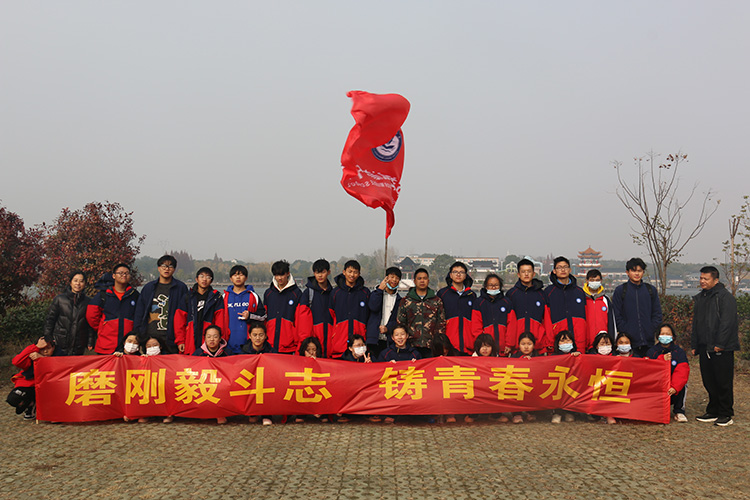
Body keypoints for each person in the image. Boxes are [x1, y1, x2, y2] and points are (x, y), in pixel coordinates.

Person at [691, 266, 739, 427]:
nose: (702, 281)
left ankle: (725, 413)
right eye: (701, 278)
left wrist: (720, 343)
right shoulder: (700, 298)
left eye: (706, 279)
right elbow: (696, 323)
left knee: (723, 381)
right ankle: (713, 410)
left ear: (716, 280)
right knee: (709, 380)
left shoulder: (725, 297)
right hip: (705, 346)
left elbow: (728, 323)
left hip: (721, 348)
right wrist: (695, 344)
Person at [134, 255, 189, 354]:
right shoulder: (149, 288)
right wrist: (139, 334)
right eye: (164, 266)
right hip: (151, 337)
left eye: (170, 266)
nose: (167, 269)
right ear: (158, 268)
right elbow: (140, 312)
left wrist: (182, 338)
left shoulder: (181, 288)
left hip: (171, 338)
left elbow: (185, 313)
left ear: (174, 269)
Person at [612, 257, 662, 357]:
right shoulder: (621, 291)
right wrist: (625, 330)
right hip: (628, 343)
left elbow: (657, 313)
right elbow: (617, 315)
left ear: (643, 272)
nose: (637, 274)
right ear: (627, 272)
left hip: (648, 341)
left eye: (639, 271)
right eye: (634, 271)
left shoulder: (650, 290)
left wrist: (651, 328)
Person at [87, 264, 140, 355]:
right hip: (106, 345)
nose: (124, 275)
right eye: (121, 273)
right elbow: (91, 315)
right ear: (114, 276)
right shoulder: (103, 295)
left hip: (128, 346)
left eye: (127, 273)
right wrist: (103, 327)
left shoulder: (134, 295)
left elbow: (139, 315)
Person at [174, 267, 226, 356]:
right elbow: (179, 320)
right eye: (202, 276)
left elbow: (220, 320)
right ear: (196, 279)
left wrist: (219, 339)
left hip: (209, 338)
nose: (204, 279)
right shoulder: (188, 296)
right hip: (190, 336)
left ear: (211, 281)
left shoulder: (216, 297)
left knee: (207, 360)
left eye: (208, 277)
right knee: (190, 361)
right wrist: (180, 341)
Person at [397, 268, 446, 358]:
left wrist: (439, 341)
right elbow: (401, 323)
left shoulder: (436, 301)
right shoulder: (406, 301)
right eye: (419, 278)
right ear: (414, 281)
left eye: (424, 278)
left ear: (428, 281)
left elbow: (441, 323)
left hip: (431, 346)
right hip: (411, 346)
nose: (422, 281)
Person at [647, 323, 689, 423]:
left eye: (668, 334)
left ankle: (679, 411)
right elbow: (648, 370)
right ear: (658, 336)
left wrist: (674, 387)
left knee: (682, 385)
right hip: (657, 386)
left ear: (673, 336)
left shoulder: (679, 352)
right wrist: (661, 360)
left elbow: (683, 370)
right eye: (662, 334)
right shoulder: (651, 351)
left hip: (672, 388)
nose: (665, 336)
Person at [43, 270, 92, 356]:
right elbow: (50, 319)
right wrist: (48, 337)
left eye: (81, 281)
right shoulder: (60, 299)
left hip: (79, 344)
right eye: (75, 280)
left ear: (85, 284)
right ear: (70, 283)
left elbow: (90, 324)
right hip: (59, 342)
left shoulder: (88, 302)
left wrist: (90, 341)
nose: (78, 283)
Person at [7, 336, 58, 420]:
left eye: (48, 348)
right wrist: (35, 347)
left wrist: (43, 359)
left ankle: (41, 409)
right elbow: (16, 362)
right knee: (13, 399)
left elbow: (60, 367)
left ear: (54, 347)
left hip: (49, 386)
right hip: (30, 384)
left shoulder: (59, 353)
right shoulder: (32, 355)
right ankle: (30, 405)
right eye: (42, 348)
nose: (45, 351)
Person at [544, 256, 587, 353]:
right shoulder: (549, 292)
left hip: (579, 339)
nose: (563, 270)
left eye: (565, 267)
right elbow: (546, 319)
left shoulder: (579, 292)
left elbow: (586, 317)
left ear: (570, 270)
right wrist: (550, 341)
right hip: (559, 340)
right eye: (559, 267)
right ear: (554, 271)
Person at [505, 259, 548, 354]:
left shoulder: (541, 294)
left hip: (538, 344)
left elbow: (546, 319)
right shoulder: (511, 294)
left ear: (533, 274)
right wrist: (508, 343)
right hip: (517, 344)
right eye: (523, 272)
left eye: (529, 271)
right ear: (518, 274)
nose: (526, 274)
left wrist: (547, 341)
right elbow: (507, 321)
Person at [328, 260, 370, 359]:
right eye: (350, 271)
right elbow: (331, 314)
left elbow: (368, 314)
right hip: (340, 338)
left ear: (359, 274)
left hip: (359, 338)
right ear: (344, 272)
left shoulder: (365, 292)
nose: (352, 275)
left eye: (355, 272)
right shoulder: (336, 293)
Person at [263, 260, 305, 354]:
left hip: (289, 345)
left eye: (282, 275)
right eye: (276, 275)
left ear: (288, 274)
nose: (279, 278)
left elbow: (299, 320)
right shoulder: (268, 293)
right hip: (269, 344)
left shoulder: (296, 293)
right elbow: (264, 317)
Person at [437, 262, 477, 355]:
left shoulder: (471, 295)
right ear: (450, 275)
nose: (458, 274)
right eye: (455, 272)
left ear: (465, 275)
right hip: (449, 344)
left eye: (461, 272)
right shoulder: (443, 294)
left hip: (468, 344)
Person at [297, 259, 334, 357]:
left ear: (328, 272)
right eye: (317, 272)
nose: (320, 275)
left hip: (330, 339)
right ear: (314, 273)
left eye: (323, 272)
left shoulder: (334, 293)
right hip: (314, 340)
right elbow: (303, 320)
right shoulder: (308, 293)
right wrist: (307, 343)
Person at [224, 265, 265, 354]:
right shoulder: (224, 297)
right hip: (228, 344)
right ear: (231, 278)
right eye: (235, 275)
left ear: (246, 278)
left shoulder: (253, 296)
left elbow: (263, 317)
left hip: (248, 346)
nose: (238, 277)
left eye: (241, 275)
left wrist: (250, 316)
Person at [471, 273, 514, 357]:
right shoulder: (479, 302)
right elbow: (476, 326)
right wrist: (481, 345)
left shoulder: (507, 302)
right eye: (490, 285)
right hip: (485, 350)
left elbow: (511, 325)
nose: (493, 287)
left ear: (500, 286)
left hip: (503, 348)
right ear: (485, 286)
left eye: (496, 285)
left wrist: (509, 344)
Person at [366, 266, 403, 359]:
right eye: (392, 277)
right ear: (386, 278)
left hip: (390, 340)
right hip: (374, 338)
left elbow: (399, 319)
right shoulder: (376, 294)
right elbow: (373, 307)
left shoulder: (400, 300)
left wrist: (388, 329)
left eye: (397, 278)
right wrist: (380, 289)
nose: (394, 280)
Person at [550, 330, 580, 424]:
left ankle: (569, 412)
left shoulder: (577, 355)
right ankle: (557, 413)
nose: (565, 343)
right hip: (558, 382)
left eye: (568, 340)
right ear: (557, 343)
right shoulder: (553, 356)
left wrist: (578, 356)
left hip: (571, 382)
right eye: (562, 341)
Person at [582, 269, 616, 352]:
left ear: (601, 281)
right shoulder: (582, 299)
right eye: (592, 280)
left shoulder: (605, 300)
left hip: (603, 345)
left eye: (597, 280)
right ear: (587, 281)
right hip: (585, 344)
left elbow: (611, 322)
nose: (594, 282)